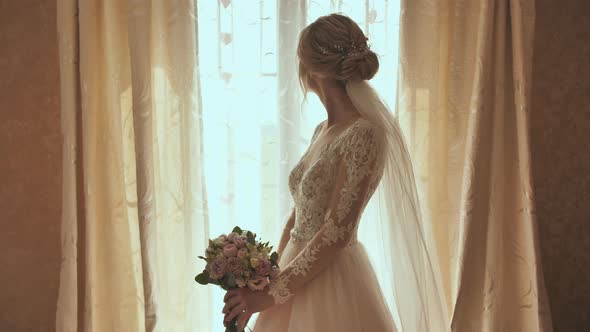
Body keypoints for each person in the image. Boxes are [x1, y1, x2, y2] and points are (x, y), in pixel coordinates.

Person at [222, 13, 450, 332]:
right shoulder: (322, 131)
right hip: (293, 270)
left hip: (332, 282)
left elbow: (337, 233)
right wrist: (268, 274)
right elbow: (299, 213)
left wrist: (274, 293)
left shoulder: (364, 134)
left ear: (312, 69)